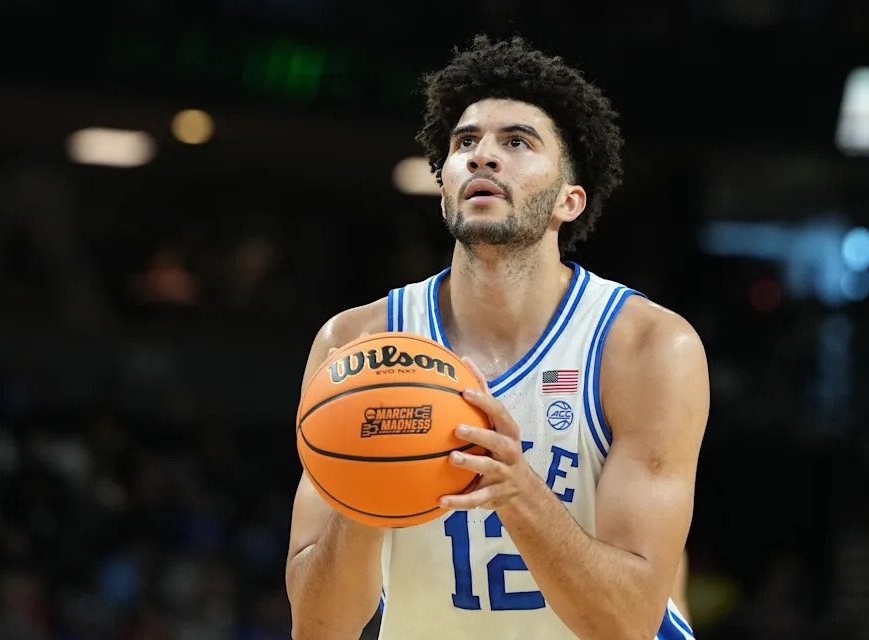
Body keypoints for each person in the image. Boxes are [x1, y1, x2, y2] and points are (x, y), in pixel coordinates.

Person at [286, 35, 708, 640]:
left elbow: (629, 624)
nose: (483, 157)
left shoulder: (646, 347)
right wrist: (365, 494)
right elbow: (319, 627)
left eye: (516, 142)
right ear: (443, 186)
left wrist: (518, 492)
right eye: (466, 143)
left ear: (570, 200)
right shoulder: (354, 346)